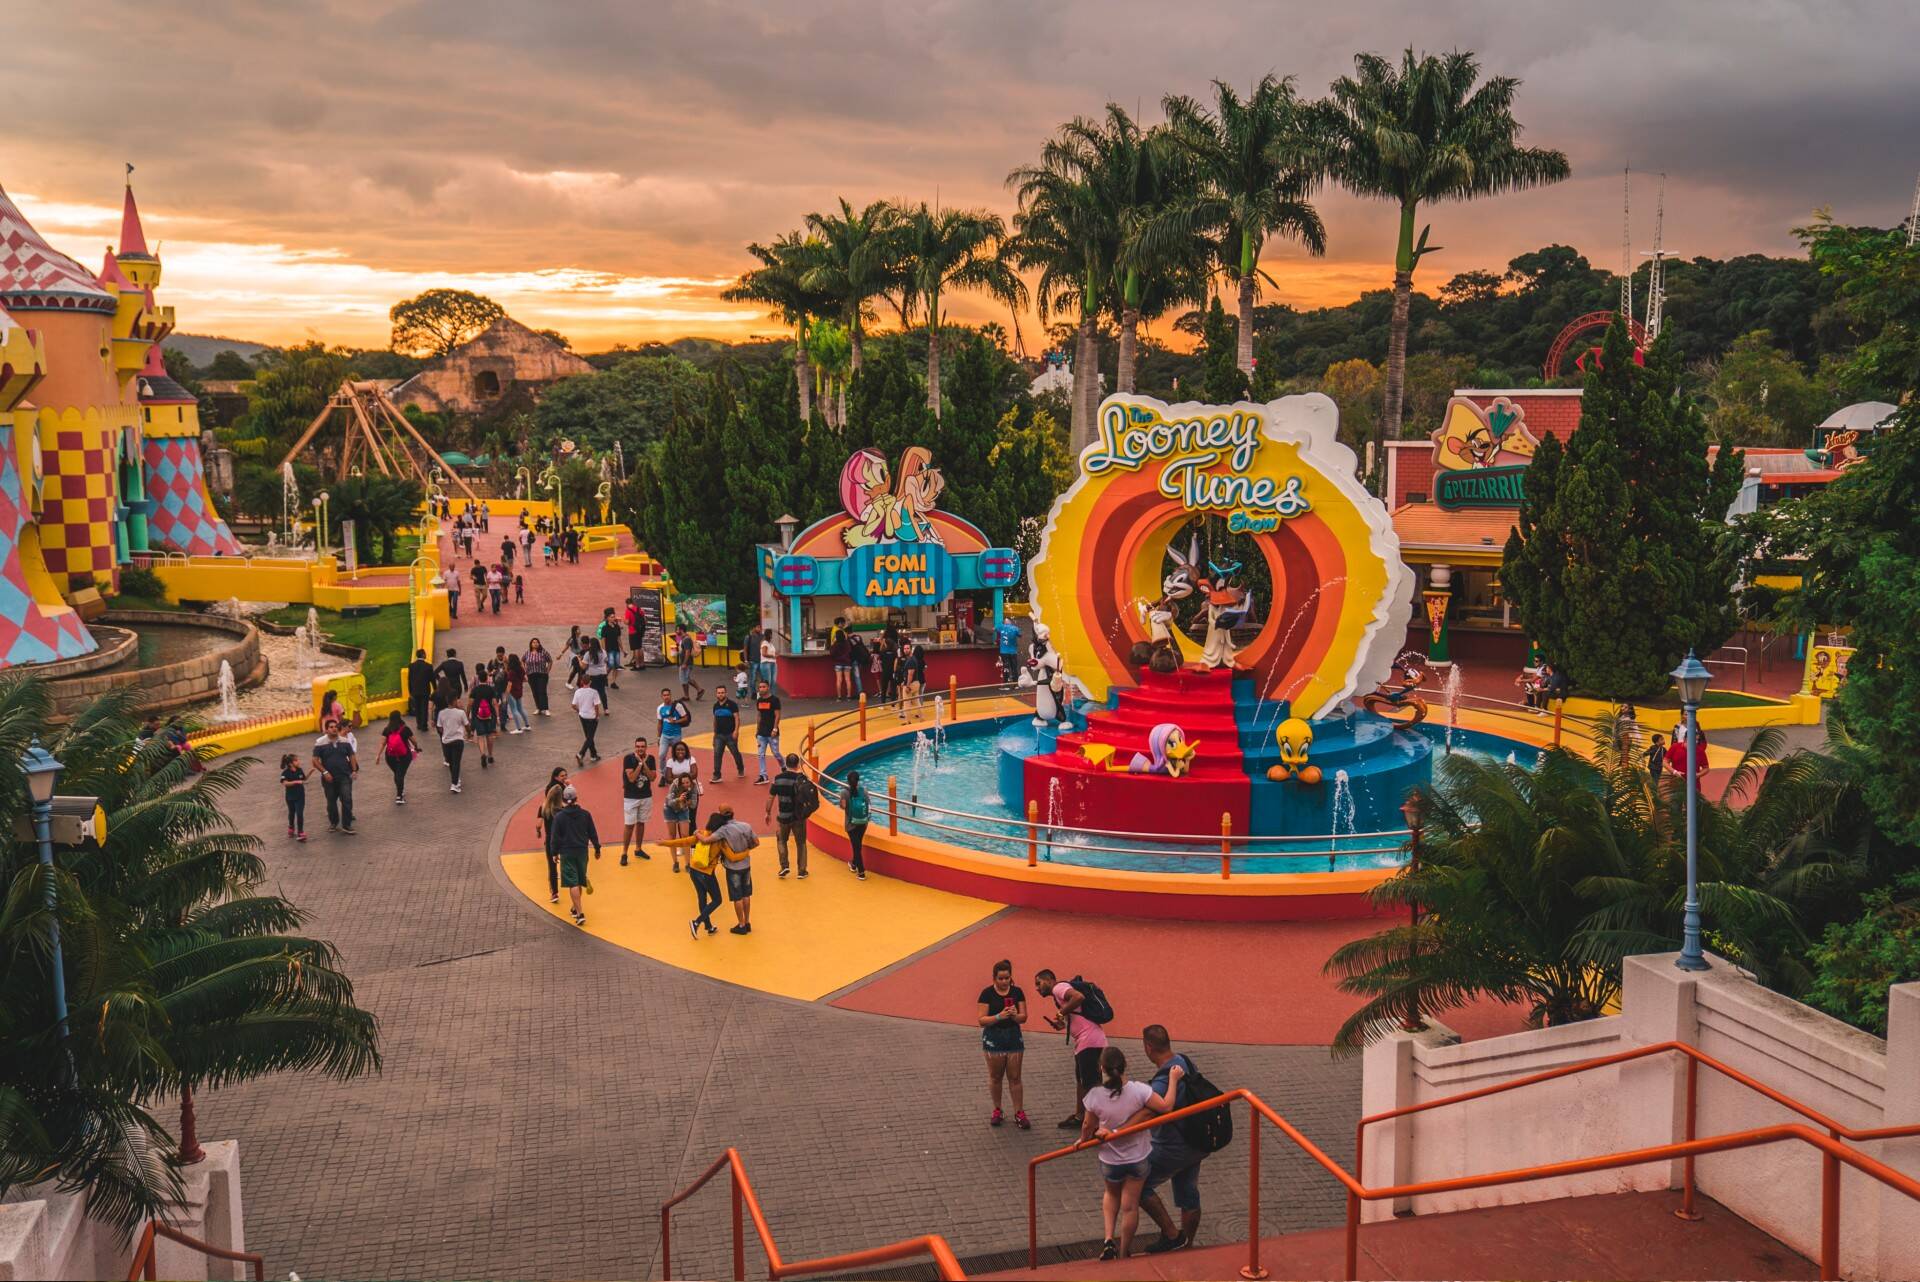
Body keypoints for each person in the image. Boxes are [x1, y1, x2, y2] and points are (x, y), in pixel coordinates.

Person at [1079, 1046, 1175, 1260]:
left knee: (1111, 1194)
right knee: (1130, 1206)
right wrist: (1174, 1079)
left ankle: (1108, 1240)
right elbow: (1166, 1107)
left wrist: (1082, 1141)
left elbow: (1088, 1126)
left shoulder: (1094, 1096)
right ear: (1125, 1066)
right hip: (1138, 1157)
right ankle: (1124, 1253)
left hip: (1110, 1158)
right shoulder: (1140, 1090)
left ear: (1101, 1068)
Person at [1137, 1025, 1203, 1255]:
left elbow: (1151, 1113)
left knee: (1137, 1184)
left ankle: (1172, 1235)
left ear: (1148, 1047)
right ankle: (1188, 1244)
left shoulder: (1162, 1081)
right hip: (1196, 1142)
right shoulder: (1185, 1061)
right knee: (1188, 1191)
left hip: (1172, 1146)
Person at [1036, 968, 1109, 1129]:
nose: (1037, 988)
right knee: (1082, 1081)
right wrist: (1061, 1023)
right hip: (1087, 1041)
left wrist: (1061, 1013)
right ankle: (1080, 1116)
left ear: (1049, 980)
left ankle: (1096, 1123)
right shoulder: (1059, 993)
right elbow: (1076, 1012)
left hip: (1090, 1041)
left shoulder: (1058, 988)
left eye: (1039, 983)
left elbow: (1079, 997)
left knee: (1091, 1083)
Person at [978, 959, 1029, 1129]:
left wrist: (1013, 1015)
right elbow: (982, 1020)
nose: (1004, 981)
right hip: (994, 1038)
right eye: (1000, 978)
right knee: (996, 1076)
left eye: (1007, 978)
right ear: (994, 978)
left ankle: (1019, 1112)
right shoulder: (986, 994)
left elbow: (1024, 1017)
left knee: (1015, 1077)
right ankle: (997, 1110)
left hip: (1013, 1036)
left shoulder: (1017, 992)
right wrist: (999, 1016)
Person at [548, 785, 602, 926]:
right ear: (576, 798)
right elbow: (592, 832)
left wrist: (554, 852)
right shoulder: (585, 814)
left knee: (572, 882)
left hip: (567, 852)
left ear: (564, 800)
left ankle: (580, 913)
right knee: (579, 880)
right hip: (582, 852)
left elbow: (555, 837)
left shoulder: (559, 817)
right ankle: (574, 908)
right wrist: (597, 848)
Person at [712, 806, 759, 934]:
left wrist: (697, 834)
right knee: (746, 894)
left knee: (737, 896)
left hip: (733, 868)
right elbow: (756, 842)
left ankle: (741, 924)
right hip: (746, 865)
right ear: (733, 813)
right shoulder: (745, 826)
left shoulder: (722, 830)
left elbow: (708, 839)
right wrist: (747, 850)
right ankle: (747, 921)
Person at [766, 753, 812, 878]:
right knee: (801, 843)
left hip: (783, 817)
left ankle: (784, 866)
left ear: (786, 764)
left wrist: (768, 812)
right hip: (798, 817)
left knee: (781, 841)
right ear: (797, 765)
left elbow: (771, 797)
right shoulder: (802, 779)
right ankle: (802, 871)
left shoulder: (778, 778)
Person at [311, 720, 359, 835]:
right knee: (331, 801)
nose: (334, 729)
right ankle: (334, 822)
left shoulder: (345, 741)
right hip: (329, 779)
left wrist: (353, 770)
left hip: (344, 776)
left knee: (347, 799)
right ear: (326, 729)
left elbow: (352, 756)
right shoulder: (320, 743)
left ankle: (346, 825)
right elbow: (315, 760)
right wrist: (325, 772)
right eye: (331, 727)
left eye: (335, 727)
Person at [620, 737, 657, 865]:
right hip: (631, 797)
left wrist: (645, 763)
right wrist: (640, 764)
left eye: (642, 746)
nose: (640, 749)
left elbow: (652, 778)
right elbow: (631, 778)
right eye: (638, 746)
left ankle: (638, 848)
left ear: (646, 747)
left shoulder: (651, 759)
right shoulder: (628, 759)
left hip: (646, 796)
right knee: (629, 825)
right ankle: (624, 852)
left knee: (641, 823)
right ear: (635, 747)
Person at [535, 767, 569, 904]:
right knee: (568, 865)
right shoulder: (563, 809)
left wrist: (538, 832)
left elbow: (538, 824)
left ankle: (554, 893)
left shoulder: (543, 808)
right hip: (564, 839)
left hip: (550, 840)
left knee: (552, 867)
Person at [662, 740, 701, 846]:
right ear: (674, 751)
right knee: (680, 820)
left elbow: (694, 774)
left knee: (691, 819)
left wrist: (678, 778)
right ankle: (682, 844)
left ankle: (693, 844)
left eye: (682, 749)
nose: (680, 751)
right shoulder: (670, 761)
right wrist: (685, 777)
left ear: (686, 750)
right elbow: (668, 778)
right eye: (678, 749)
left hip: (691, 792)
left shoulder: (691, 759)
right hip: (677, 794)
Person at [379, 711, 419, 803]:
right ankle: (399, 796)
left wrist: (378, 755)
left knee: (397, 774)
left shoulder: (387, 729)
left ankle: (400, 791)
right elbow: (414, 741)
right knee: (400, 774)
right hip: (404, 756)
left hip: (390, 757)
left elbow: (382, 743)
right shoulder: (405, 729)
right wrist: (416, 748)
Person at [436, 693, 470, 793]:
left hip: (446, 741)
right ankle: (455, 783)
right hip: (458, 740)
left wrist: (445, 732)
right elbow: (467, 725)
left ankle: (455, 781)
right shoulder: (460, 713)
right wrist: (469, 733)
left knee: (451, 762)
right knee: (456, 762)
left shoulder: (441, 713)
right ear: (454, 701)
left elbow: (439, 727)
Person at [711, 686, 745, 782]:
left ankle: (740, 768)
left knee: (735, 753)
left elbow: (737, 718)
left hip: (730, 734)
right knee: (717, 754)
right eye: (719, 693)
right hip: (719, 735)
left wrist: (736, 731)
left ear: (726, 693)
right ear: (716, 694)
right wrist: (714, 734)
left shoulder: (732, 705)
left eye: (722, 692)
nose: (720, 694)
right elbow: (715, 720)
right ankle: (717, 774)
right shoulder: (715, 706)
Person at [842, 770, 871, 879]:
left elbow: (843, 806)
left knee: (856, 848)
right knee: (857, 845)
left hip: (851, 824)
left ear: (848, 781)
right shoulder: (864, 791)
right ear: (858, 780)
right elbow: (869, 805)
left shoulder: (844, 792)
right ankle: (853, 864)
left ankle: (861, 872)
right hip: (863, 823)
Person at [753, 679, 781, 785]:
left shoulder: (775, 700)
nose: (761, 689)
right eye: (760, 687)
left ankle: (783, 767)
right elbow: (759, 715)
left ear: (768, 687)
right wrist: (757, 730)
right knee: (760, 754)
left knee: (776, 753)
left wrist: (775, 729)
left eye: (763, 687)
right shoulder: (759, 700)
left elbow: (777, 715)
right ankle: (763, 775)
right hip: (761, 733)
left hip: (772, 733)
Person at [470, 670, 499, 769]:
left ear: (478, 679)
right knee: (489, 735)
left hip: (478, 715)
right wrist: (498, 716)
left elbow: (470, 703)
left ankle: (483, 754)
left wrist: (467, 713)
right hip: (489, 714)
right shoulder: (491, 689)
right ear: (486, 678)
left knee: (480, 736)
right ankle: (490, 755)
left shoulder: (475, 690)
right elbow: (495, 703)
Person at [572, 676, 604, 765]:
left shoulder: (578, 692)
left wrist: (579, 710)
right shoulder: (594, 692)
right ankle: (581, 753)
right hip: (591, 717)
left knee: (588, 736)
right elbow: (596, 706)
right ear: (590, 682)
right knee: (590, 737)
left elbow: (573, 705)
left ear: (582, 682)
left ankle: (593, 755)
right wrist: (597, 716)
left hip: (582, 716)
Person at [279, 752, 309, 842]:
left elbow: (303, 779)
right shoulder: (285, 773)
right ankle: (291, 827)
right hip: (290, 797)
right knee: (291, 813)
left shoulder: (299, 770)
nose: (298, 762)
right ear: (290, 763)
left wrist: (310, 773)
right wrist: (296, 782)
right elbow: (285, 783)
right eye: (296, 760)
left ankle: (300, 832)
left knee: (299, 813)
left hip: (300, 796)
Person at [407, 649, 436, 734]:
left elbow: (409, 680)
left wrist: (410, 691)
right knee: (424, 707)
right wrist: (435, 689)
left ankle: (419, 724)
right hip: (425, 690)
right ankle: (424, 725)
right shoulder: (428, 666)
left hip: (415, 691)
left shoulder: (411, 666)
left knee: (418, 707)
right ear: (423, 655)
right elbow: (432, 679)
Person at [502, 653, 532, 734]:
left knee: (514, 710)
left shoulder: (511, 672)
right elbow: (526, 679)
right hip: (519, 690)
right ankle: (527, 725)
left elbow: (509, 684)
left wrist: (506, 695)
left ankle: (518, 729)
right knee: (521, 709)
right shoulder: (521, 669)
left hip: (512, 692)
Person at [675, 625, 705, 700]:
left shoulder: (686, 639)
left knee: (684, 679)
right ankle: (692, 693)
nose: (676, 631)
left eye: (677, 630)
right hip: (685, 663)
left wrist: (684, 663)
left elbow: (688, 652)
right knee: (685, 679)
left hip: (686, 663)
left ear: (681, 630)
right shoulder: (685, 638)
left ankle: (697, 691)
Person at [524, 638, 553, 716]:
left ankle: (546, 708)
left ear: (539, 644)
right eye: (533, 642)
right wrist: (525, 671)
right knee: (535, 692)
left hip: (542, 674)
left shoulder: (543, 652)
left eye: (537, 642)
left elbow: (550, 660)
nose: (535, 644)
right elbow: (522, 660)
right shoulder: (527, 652)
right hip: (531, 674)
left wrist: (548, 670)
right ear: (531, 644)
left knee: (542, 691)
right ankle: (538, 708)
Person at [584, 639, 612, 714]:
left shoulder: (588, 654)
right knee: (602, 691)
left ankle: (593, 709)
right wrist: (605, 672)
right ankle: (606, 709)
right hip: (602, 674)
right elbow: (607, 662)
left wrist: (580, 661)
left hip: (592, 675)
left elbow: (584, 666)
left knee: (591, 692)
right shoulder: (603, 652)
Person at [830, 619, 852, 701]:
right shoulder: (847, 643)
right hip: (847, 663)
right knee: (848, 680)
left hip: (838, 663)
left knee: (839, 680)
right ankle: (849, 696)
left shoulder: (835, 644)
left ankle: (839, 697)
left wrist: (834, 642)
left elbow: (831, 653)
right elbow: (850, 651)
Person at [996, 616, 1022, 683]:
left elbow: (995, 628)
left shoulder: (1001, 627)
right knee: (1014, 668)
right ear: (1010, 621)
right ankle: (1015, 683)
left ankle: (1005, 684)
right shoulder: (1015, 628)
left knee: (1006, 668)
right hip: (1013, 652)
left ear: (1004, 622)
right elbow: (1020, 635)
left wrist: (1001, 623)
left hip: (1004, 652)